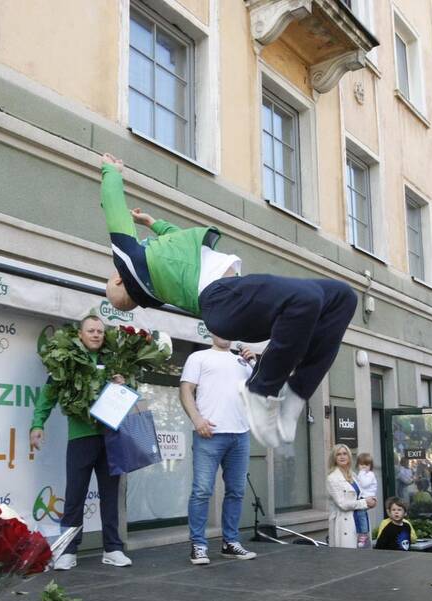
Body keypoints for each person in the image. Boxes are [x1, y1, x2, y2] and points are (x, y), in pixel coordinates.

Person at [99, 153, 356, 450]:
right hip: (222, 300)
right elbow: (115, 212)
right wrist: (112, 171)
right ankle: (259, 393)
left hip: (236, 302)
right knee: (306, 300)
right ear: (119, 279)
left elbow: (177, 239)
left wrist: (154, 223)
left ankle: (296, 396)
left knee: (342, 297)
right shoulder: (131, 261)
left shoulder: (158, 269)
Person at [30, 316, 131, 570]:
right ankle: (68, 550)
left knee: (110, 496)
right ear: (81, 334)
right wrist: (37, 424)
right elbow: (48, 394)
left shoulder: (113, 361)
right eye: (91, 331)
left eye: (99, 331)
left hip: (111, 438)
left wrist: (123, 385)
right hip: (80, 437)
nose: (96, 334)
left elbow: (128, 397)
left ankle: (113, 549)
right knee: (75, 495)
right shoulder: (66, 359)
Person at [179, 335, 258, 565]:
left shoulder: (243, 363)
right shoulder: (198, 357)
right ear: (212, 331)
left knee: (236, 491)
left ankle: (230, 543)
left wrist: (255, 364)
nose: (224, 334)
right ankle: (198, 545)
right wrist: (197, 419)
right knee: (202, 491)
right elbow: (185, 390)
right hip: (209, 434)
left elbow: (262, 392)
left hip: (240, 435)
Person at [326, 444, 375, 549]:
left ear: (349, 456)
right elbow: (342, 504)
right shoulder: (332, 478)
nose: (342, 456)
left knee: (363, 556)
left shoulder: (352, 474)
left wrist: (371, 501)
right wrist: (365, 502)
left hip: (360, 520)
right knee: (349, 558)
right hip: (345, 523)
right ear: (334, 458)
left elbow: (359, 496)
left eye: (345, 454)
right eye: (338, 454)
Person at [355, 452, 378, 548]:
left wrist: (361, 473)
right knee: (361, 515)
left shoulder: (369, 474)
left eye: (367, 465)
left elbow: (364, 484)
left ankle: (363, 534)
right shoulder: (361, 474)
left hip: (368, 497)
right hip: (363, 497)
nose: (364, 467)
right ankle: (362, 533)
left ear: (370, 466)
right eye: (361, 464)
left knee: (361, 515)